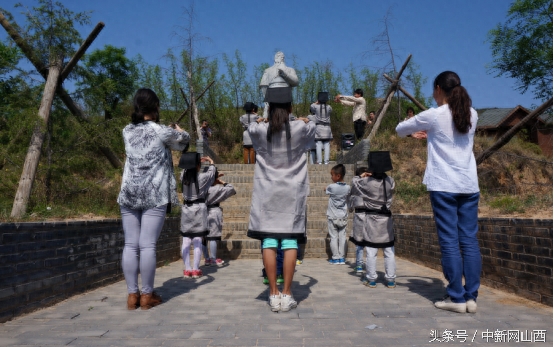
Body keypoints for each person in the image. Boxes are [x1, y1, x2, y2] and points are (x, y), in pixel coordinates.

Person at [396, 71, 480, 314]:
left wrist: (420, 132)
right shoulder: (472, 114)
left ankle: (456, 298)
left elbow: (400, 128)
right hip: (469, 185)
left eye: (433, 90)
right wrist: (430, 135)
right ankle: (471, 297)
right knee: (469, 241)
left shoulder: (434, 115)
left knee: (450, 242)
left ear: (438, 89)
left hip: (444, 185)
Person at [117, 88, 190, 310]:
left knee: (130, 244)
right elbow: (183, 141)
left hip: (129, 192)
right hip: (154, 193)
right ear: (155, 107)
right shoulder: (162, 131)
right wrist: (179, 130)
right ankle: (147, 296)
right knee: (147, 245)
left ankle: (132, 296)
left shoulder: (126, 131)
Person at [247, 86, 315, 312]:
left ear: (268, 108)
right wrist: (303, 119)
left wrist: (260, 119)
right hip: (291, 192)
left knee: (268, 240)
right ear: (290, 108)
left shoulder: (260, 129)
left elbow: (251, 126)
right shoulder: (300, 128)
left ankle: (272, 293)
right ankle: (287, 293)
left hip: (267, 191)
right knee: (289, 241)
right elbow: (313, 127)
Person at [349, 152, 396, 288]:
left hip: (372, 219)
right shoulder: (390, 181)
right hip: (386, 219)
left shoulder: (366, 183)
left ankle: (371, 279)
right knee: (389, 250)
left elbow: (354, 183)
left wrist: (362, 175)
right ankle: (391, 279)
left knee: (371, 250)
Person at [180, 153, 216, 279]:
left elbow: (186, 169)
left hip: (186, 209)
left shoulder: (182, 176)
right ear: (198, 165)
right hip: (199, 210)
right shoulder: (202, 178)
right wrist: (211, 161)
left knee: (186, 240)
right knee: (197, 240)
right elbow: (212, 173)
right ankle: (195, 269)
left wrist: (192, 161)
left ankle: (187, 269)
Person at [205, 169, 236, 266]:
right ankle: (213, 259)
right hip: (214, 211)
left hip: (201, 211)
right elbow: (231, 189)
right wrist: (222, 182)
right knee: (213, 237)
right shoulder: (217, 189)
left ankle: (207, 258)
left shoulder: (200, 188)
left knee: (203, 237)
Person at [259, 51, 299, 119]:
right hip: (272, 95)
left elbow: (296, 82)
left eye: (282, 56)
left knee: (286, 114)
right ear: (275, 58)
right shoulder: (268, 70)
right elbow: (263, 85)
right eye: (278, 56)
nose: (281, 57)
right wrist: (267, 101)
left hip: (286, 95)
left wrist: (285, 74)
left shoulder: (290, 70)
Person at [325, 164, 350, 265]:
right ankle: (342, 258)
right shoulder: (348, 188)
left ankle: (335, 258)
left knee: (333, 237)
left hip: (332, 216)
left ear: (338, 176)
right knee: (342, 237)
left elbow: (326, 190)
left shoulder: (331, 187)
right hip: (343, 215)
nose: (331, 177)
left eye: (332, 175)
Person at [352, 166, 368, 273]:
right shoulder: (371, 185)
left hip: (360, 214)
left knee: (359, 242)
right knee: (370, 243)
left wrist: (359, 177)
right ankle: (365, 265)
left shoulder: (356, 186)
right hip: (370, 215)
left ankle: (359, 264)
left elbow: (353, 181)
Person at [311, 92, 333, 165]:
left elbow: (311, 107)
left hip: (319, 127)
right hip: (327, 127)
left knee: (318, 144)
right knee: (327, 144)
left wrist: (316, 102)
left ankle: (319, 162)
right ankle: (326, 161)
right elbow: (331, 111)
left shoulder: (316, 107)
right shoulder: (329, 107)